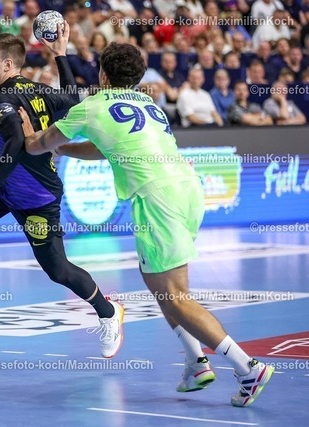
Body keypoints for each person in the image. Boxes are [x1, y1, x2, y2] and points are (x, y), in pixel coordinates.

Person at [19, 42, 275, 408]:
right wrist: (64, 149)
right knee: (157, 282)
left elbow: (35, 145)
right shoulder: (147, 102)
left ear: (102, 75)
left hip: (157, 199)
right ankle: (195, 363)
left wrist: (29, 131)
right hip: (187, 189)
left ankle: (247, 368)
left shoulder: (92, 105)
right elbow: (104, 147)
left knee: (176, 295)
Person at [0, 29, 124, 358]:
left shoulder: (1, 98)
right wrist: (60, 54)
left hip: (36, 198)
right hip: (5, 184)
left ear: (8, 65)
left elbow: (17, 141)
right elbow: (71, 99)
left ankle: (109, 312)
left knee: (59, 271)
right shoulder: (39, 90)